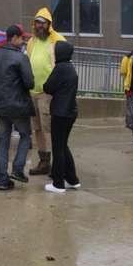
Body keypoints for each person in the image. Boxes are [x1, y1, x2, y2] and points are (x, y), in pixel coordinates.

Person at [0, 25, 36, 191]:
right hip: (17, 106)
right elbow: (30, 83)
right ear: (13, 38)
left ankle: (3, 179)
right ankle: (18, 169)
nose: (23, 41)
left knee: (3, 140)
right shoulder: (21, 58)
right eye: (22, 38)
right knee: (25, 135)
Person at [26, 8, 66, 175]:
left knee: (49, 129)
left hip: (48, 94)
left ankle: (57, 163)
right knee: (37, 129)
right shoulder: (32, 41)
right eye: (37, 22)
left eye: (42, 23)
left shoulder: (57, 41)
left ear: (49, 24)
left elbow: (62, 67)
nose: (39, 26)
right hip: (32, 92)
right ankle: (44, 162)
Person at [42, 41, 80, 193]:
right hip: (70, 112)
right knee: (63, 145)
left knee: (58, 147)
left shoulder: (60, 68)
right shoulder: (70, 68)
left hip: (59, 113)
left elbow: (47, 87)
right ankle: (72, 179)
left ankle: (58, 183)